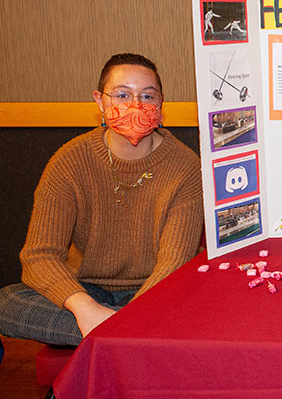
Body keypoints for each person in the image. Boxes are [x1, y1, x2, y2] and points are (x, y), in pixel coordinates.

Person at [0, 53, 204, 347]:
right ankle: (133, 337)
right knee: (7, 303)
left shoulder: (184, 166)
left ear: (161, 104)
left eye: (148, 96)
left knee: (199, 307)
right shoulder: (70, 161)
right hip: (86, 291)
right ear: (100, 100)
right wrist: (85, 308)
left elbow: (173, 262)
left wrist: (135, 311)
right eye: (122, 94)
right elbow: (39, 255)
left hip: (157, 292)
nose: (136, 105)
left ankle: (116, 336)